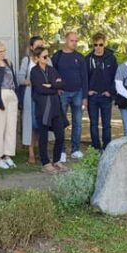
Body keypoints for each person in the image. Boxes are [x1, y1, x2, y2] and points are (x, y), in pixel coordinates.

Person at [30, 47, 69, 174]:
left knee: (60, 135)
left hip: (55, 107)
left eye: (48, 56)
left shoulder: (51, 69)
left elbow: (62, 83)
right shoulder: (34, 71)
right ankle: (45, 163)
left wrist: (51, 85)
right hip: (43, 108)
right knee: (43, 136)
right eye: (44, 56)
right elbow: (40, 89)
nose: (47, 59)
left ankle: (57, 160)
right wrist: (55, 89)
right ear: (37, 58)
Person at [51, 31, 88, 162]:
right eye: (72, 40)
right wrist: (56, 88)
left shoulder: (80, 57)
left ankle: (75, 149)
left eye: (76, 41)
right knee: (60, 123)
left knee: (77, 123)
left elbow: (85, 77)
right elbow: (52, 74)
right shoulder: (57, 57)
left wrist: (85, 97)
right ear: (65, 40)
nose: (74, 43)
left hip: (78, 93)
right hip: (62, 94)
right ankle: (61, 151)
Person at [0, 41, 19, 169]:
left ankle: (8, 155)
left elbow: (14, 80)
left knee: (11, 126)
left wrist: (16, 94)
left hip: (11, 94)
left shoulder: (8, 62)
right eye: (0, 51)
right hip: (0, 94)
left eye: (4, 51)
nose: (3, 53)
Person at [85, 33, 117, 151]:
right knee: (93, 124)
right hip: (92, 97)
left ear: (105, 43)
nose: (98, 47)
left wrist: (111, 92)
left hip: (106, 96)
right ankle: (96, 148)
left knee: (106, 125)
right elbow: (84, 77)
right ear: (92, 44)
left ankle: (107, 147)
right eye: (95, 45)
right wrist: (88, 91)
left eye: (101, 44)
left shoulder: (111, 58)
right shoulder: (87, 59)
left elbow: (116, 76)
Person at [18, 36, 46, 164]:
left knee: (43, 123)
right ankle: (31, 152)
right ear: (31, 47)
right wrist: (29, 81)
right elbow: (20, 78)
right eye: (38, 45)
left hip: (44, 96)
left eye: (42, 44)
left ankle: (42, 150)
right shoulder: (27, 60)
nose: (40, 46)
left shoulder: (46, 58)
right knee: (31, 124)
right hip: (30, 95)